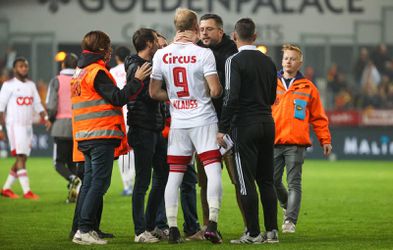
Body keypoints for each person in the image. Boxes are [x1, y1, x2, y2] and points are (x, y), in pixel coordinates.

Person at [149, 8, 223, 244]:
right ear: (194, 27)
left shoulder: (162, 55)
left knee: (175, 175)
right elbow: (215, 90)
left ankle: (171, 228)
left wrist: (174, 98)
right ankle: (211, 223)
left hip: (179, 122)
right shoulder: (203, 54)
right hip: (203, 120)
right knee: (212, 171)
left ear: (176, 27)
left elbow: (153, 92)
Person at [70, 30, 151, 245]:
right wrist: (137, 81)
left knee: (89, 183)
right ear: (100, 49)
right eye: (107, 46)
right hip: (100, 133)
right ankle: (84, 229)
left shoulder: (80, 72)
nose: (110, 50)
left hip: (84, 135)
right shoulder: (97, 72)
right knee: (99, 183)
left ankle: (83, 227)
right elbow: (118, 98)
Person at [217, 18, 279, 244]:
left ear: (234, 36)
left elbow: (230, 96)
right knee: (267, 181)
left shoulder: (234, 60)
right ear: (255, 36)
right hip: (267, 123)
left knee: (245, 182)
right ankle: (272, 232)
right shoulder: (269, 62)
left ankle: (253, 233)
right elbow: (272, 97)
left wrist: (222, 128)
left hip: (244, 125)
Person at [273, 44, 332, 233]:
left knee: (294, 183)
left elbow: (318, 117)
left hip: (296, 143)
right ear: (281, 61)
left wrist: (325, 140)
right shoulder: (270, 82)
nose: (288, 61)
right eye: (285, 58)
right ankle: (285, 204)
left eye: (292, 58)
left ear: (300, 62)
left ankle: (290, 220)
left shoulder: (308, 87)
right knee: (272, 181)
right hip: (273, 141)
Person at [196, 13, 245, 237]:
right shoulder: (195, 50)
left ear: (220, 32)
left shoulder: (232, 54)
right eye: (201, 29)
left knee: (240, 181)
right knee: (204, 182)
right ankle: (207, 227)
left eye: (209, 29)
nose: (204, 32)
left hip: (229, 127)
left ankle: (249, 226)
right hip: (204, 126)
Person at [124, 28, 168, 243]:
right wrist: (163, 90)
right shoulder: (138, 66)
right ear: (150, 43)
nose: (160, 44)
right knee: (143, 181)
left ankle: (149, 225)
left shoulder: (147, 65)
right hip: (142, 129)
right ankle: (140, 231)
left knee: (163, 175)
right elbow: (137, 96)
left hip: (154, 128)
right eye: (156, 41)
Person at [0, 57, 51, 200]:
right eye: (21, 66)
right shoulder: (8, 85)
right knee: (21, 156)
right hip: (15, 125)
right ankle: (27, 191)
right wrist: (0, 128)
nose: (24, 69)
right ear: (15, 69)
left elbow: (38, 104)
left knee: (23, 157)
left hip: (28, 126)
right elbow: (1, 109)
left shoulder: (31, 85)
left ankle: (6, 188)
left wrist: (45, 118)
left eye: (26, 66)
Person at [46, 53, 81, 203]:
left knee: (59, 163)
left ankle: (74, 179)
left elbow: (51, 105)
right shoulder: (80, 79)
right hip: (78, 126)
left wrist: (50, 119)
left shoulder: (56, 81)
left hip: (60, 126)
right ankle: (74, 195)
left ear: (62, 65)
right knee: (73, 163)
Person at [109, 46, 135, 196]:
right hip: (134, 114)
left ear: (117, 57)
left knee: (124, 151)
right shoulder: (133, 69)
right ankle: (136, 182)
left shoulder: (112, 72)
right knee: (135, 150)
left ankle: (127, 185)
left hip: (120, 116)